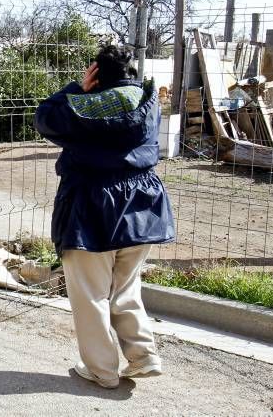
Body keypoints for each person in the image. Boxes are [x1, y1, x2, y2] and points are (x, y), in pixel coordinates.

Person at [34, 45, 175, 389]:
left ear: (95, 73)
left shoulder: (82, 107)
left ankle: (103, 371)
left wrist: (75, 89)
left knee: (90, 294)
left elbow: (45, 118)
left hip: (91, 208)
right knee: (125, 288)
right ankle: (143, 356)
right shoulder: (148, 99)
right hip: (142, 205)